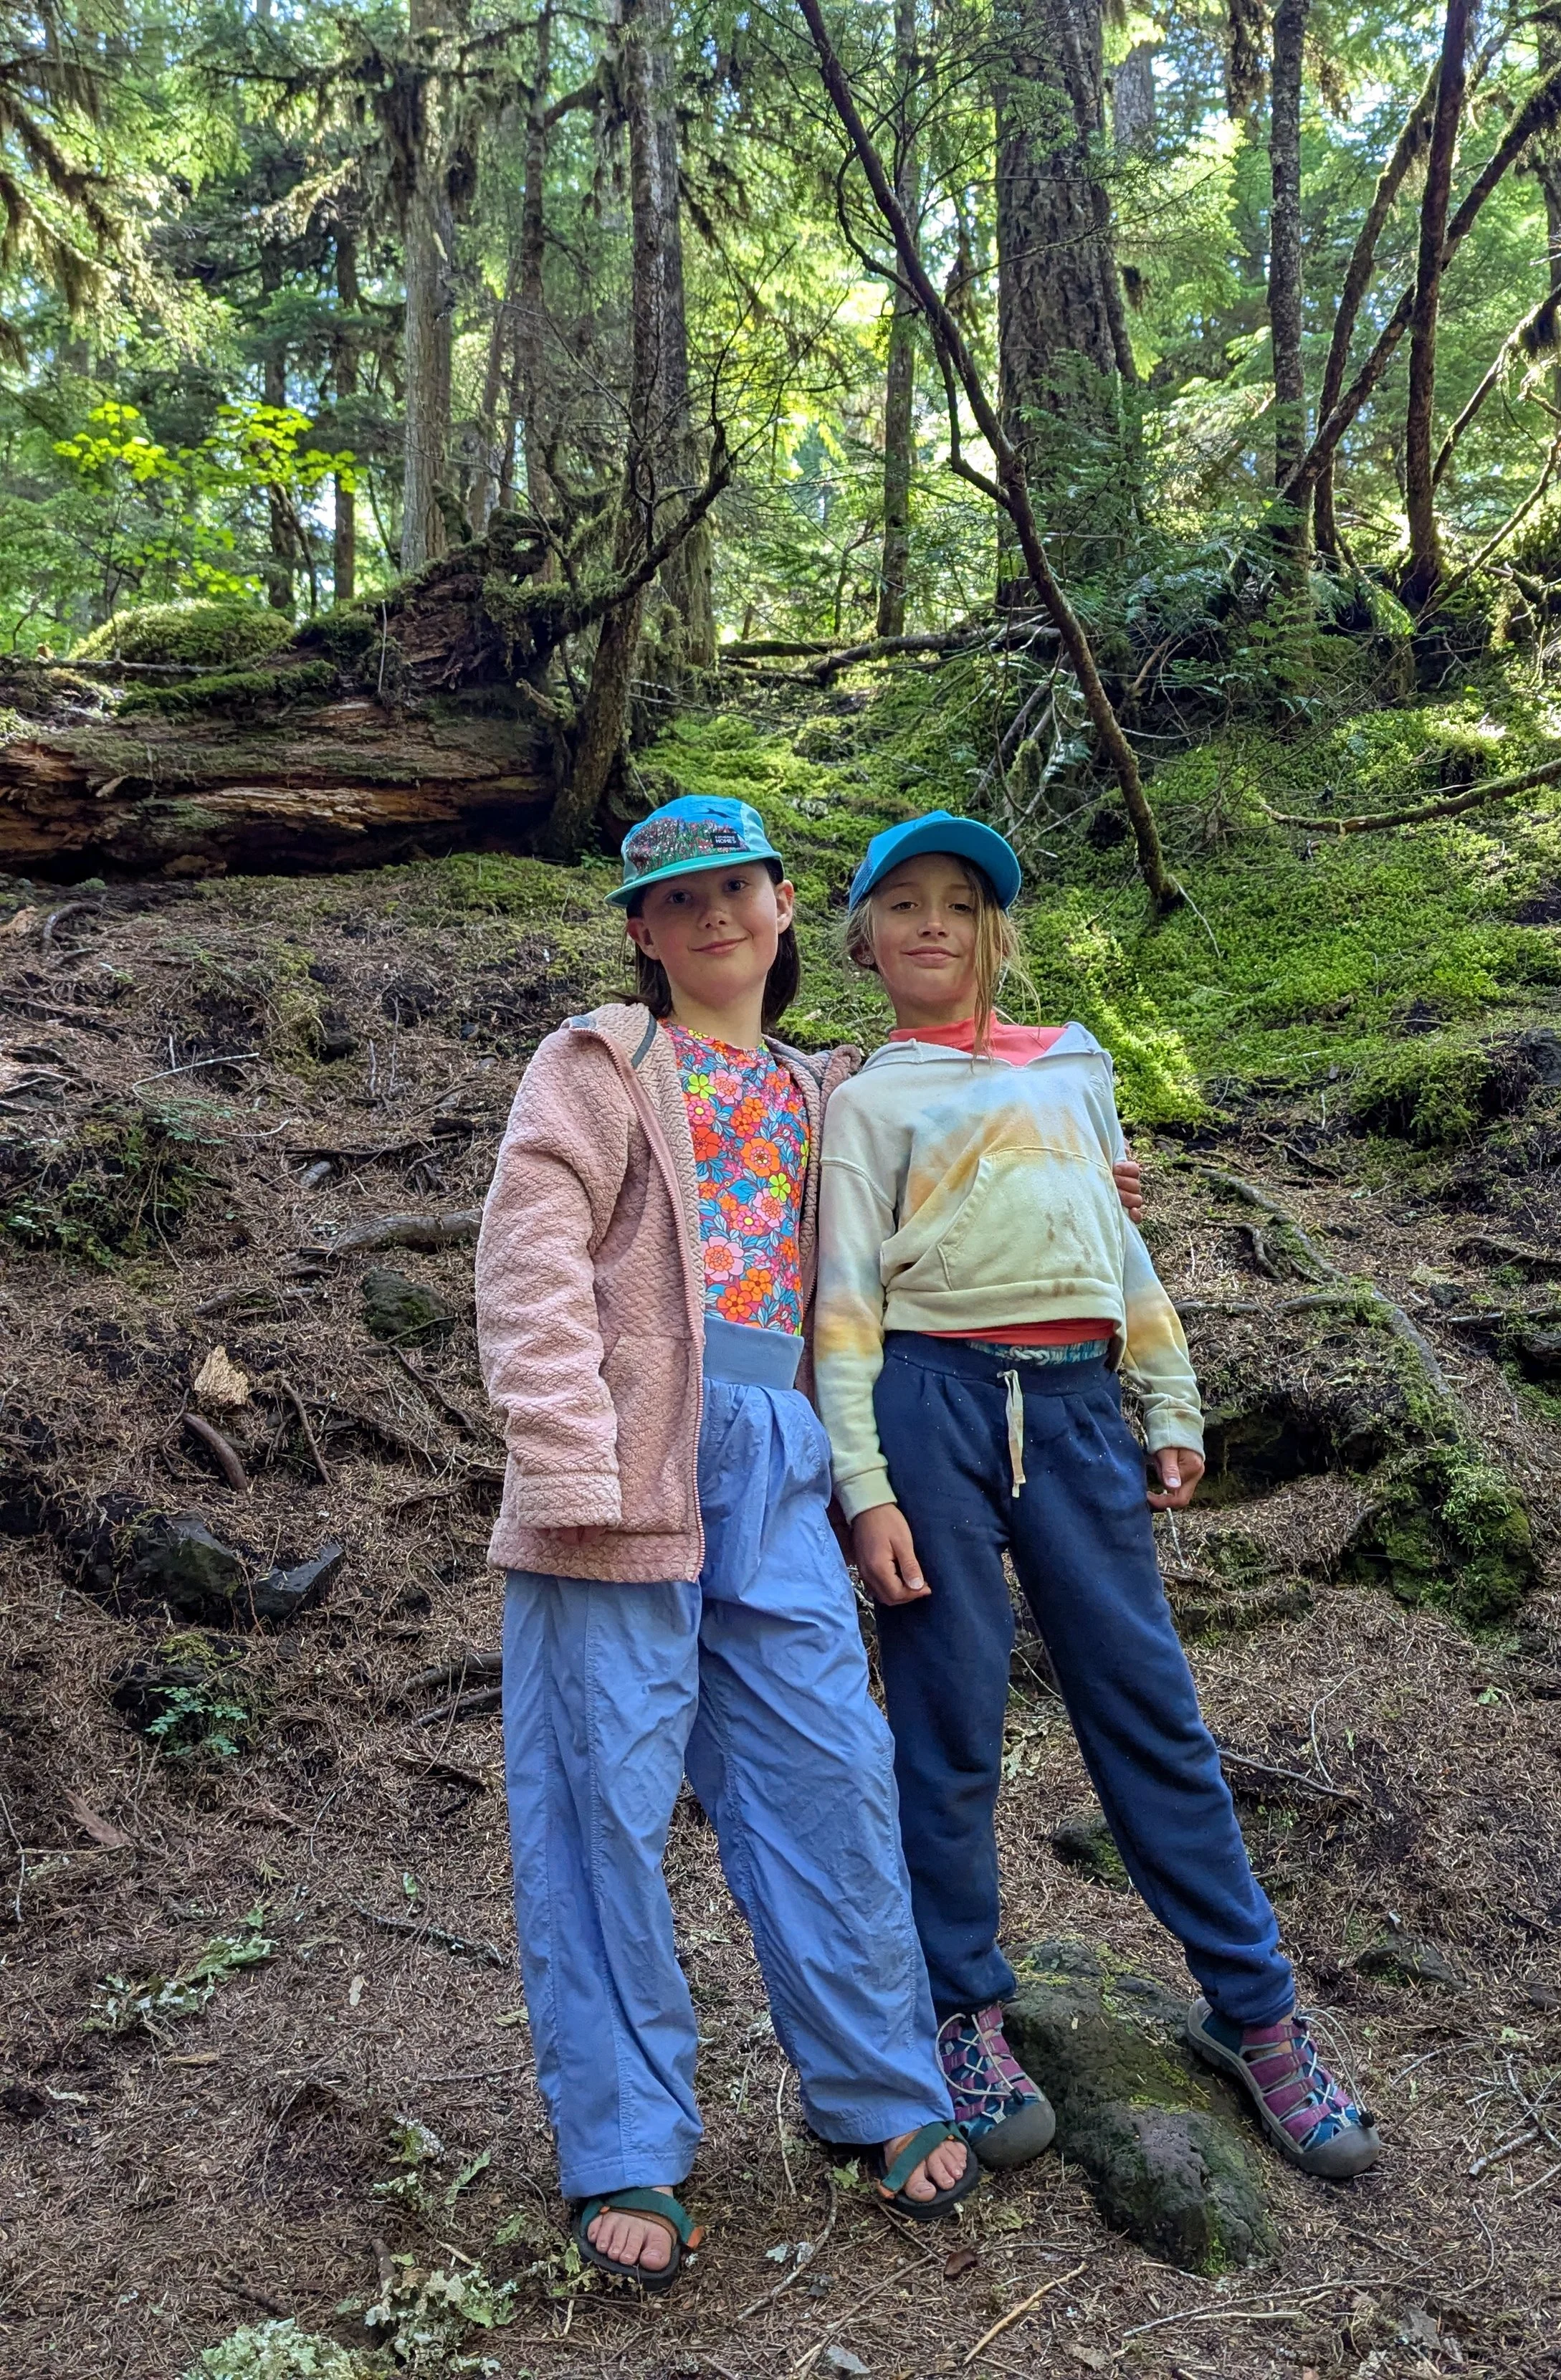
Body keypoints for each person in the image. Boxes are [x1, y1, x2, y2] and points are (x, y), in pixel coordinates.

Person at [812, 811, 1382, 2183]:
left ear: (997, 931)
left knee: (1150, 1709)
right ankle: (963, 2010)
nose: (934, 924)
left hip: (1075, 1410)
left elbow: (1118, 1244)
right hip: (930, 1404)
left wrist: (1171, 1397)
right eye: (904, 907)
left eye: (961, 903)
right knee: (948, 1723)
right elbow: (843, 1307)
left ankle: (1256, 2014)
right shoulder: (866, 1100)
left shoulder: (1074, 1064)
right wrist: (865, 1488)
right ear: (865, 941)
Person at [474, 794, 979, 2293]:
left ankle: (875, 2084)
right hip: (624, 1470)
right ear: (642, 930)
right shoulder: (595, 1065)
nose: (711, 917)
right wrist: (569, 1454)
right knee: (600, 1801)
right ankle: (624, 2137)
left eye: (735, 888)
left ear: (778, 908)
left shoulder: (834, 1092)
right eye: (676, 898)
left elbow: (965, 1196)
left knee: (827, 1767)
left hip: (781, 1468)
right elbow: (528, 1255)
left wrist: (1090, 1194)